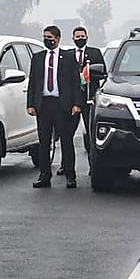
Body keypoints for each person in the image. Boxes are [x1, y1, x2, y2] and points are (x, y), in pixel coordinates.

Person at [27, 25, 84, 189]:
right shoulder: (38, 58)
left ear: (58, 38)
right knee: (44, 142)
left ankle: (70, 175)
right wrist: (30, 104)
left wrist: (76, 104)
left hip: (62, 105)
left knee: (66, 141)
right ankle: (44, 175)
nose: (47, 40)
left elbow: (75, 82)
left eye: (50, 37)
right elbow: (33, 82)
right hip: (43, 105)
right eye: (45, 36)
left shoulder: (68, 57)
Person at [57, 26, 105, 176]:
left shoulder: (95, 53)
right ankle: (65, 165)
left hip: (89, 99)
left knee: (91, 135)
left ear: (87, 37)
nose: (79, 39)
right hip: (71, 101)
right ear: (72, 39)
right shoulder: (67, 55)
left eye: (82, 36)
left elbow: (103, 73)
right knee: (66, 134)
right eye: (77, 37)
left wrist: (89, 74)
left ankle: (94, 166)